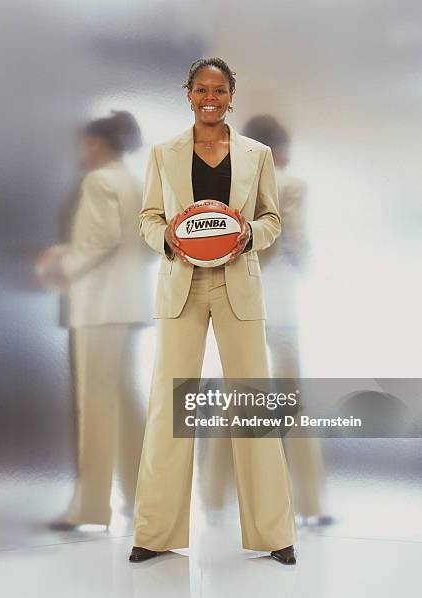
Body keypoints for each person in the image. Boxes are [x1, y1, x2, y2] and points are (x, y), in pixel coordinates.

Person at [129, 58, 297, 565]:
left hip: (237, 287)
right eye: (201, 89)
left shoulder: (257, 154)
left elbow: (271, 218)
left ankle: (275, 535)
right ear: (188, 94)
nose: (210, 97)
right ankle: (153, 534)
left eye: (219, 90)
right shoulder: (163, 153)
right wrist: (169, 240)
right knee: (168, 407)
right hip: (181, 286)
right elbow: (148, 218)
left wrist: (249, 234)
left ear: (230, 95)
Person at [36, 111, 154, 528]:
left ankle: (91, 506)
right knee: (125, 402)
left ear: (99, 144)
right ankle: (146, 498)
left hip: (100, 307)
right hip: (129, 305)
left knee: (97, 406)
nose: (83, 152)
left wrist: (58, 266)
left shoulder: (99, 181)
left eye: (86, 144)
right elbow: (150, 245)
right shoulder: (138, 184)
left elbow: (97, 241)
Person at [242, 115, 332, 526]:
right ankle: (310, 502)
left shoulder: (234, 185)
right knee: (292, 402)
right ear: (277, 149)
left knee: (242, 398)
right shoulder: (289, 184)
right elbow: (294, 239)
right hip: (279, 304)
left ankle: (219, 495)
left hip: (241, 302)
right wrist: (312, 270)